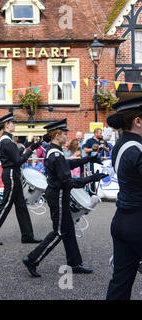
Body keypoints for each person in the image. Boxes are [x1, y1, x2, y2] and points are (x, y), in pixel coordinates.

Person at [22, 119, 107, 277]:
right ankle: (32, 259)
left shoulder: (54, 151)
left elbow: (67, 164)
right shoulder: (55, 153)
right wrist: (91, 178)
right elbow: (68, 181)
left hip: (58, 194)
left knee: (67, 230)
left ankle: (74, 263)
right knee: (60, 231)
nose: (67, 137)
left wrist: (89, 159)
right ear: (56, 135)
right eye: (64, 134)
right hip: (59, 195)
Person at [0, 113, 42, 245]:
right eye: (13, 122)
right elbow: (18, 161)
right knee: (5, 205)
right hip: (11, 174)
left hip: (13, 174)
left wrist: (29, 146)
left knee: (21, 206)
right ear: (7, 125)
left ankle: (27, 235)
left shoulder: (7, 140)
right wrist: (31, 149)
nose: (15, 124)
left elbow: (15, 156)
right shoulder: (6, 141)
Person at [105, 96, 142, 300]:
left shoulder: (122, 145)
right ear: (138, 121)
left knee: (120, 283)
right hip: (138, 221)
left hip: (122, 219)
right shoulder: (137, 149)